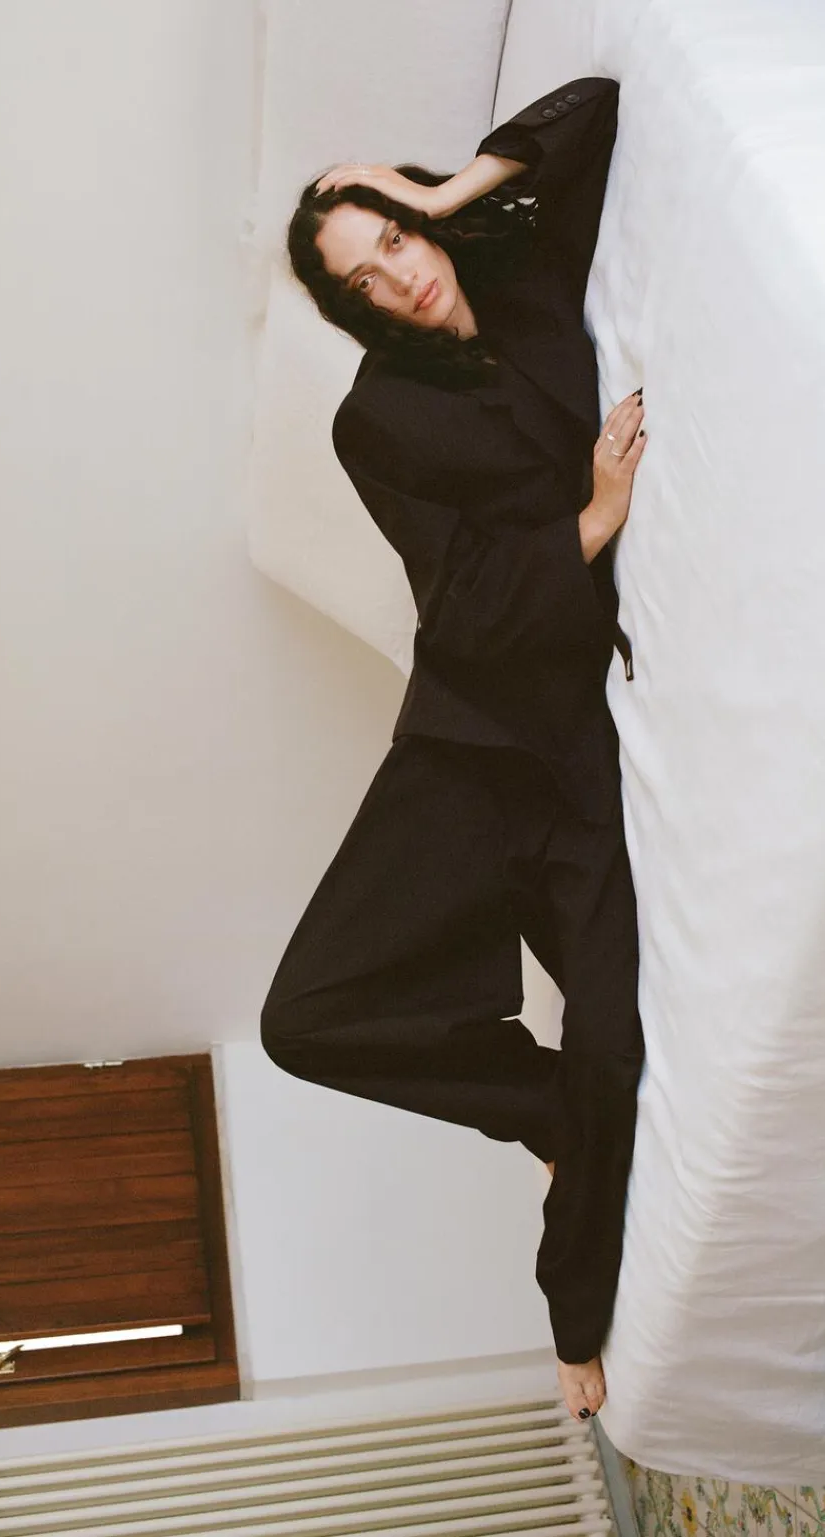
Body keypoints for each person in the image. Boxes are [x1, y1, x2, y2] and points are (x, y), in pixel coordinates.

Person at [261, 76, 647, 1423]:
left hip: (575, 763)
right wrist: (591, 522)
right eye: (364, 279)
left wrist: (446, 186)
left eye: (395, 240)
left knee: (614, 1045)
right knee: (306, 1021)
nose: (400, 278)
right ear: (351, 310)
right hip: (471, 745)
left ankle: (574, 1305)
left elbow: (596, 107)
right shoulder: (375, 420)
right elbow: (464, 605)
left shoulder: (527, 272)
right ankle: (529, 1110)